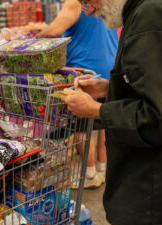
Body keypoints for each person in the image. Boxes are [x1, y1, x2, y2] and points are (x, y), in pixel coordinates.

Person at [60, 0, 162, 224]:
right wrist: (110, 88)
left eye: (86, 0)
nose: (88, 11)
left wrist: (96, 110)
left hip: (156, 196)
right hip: (159, 189)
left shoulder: (153, 16)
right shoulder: (149, 11)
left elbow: (160, 118)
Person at [37, 0, 118, 188]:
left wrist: (32, 37)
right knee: (102, 120)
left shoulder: (74, 2)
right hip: (108, 66)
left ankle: (89, 175)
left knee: (82, 126)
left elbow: (55, 30)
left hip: (84, 70)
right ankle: (101, 169)